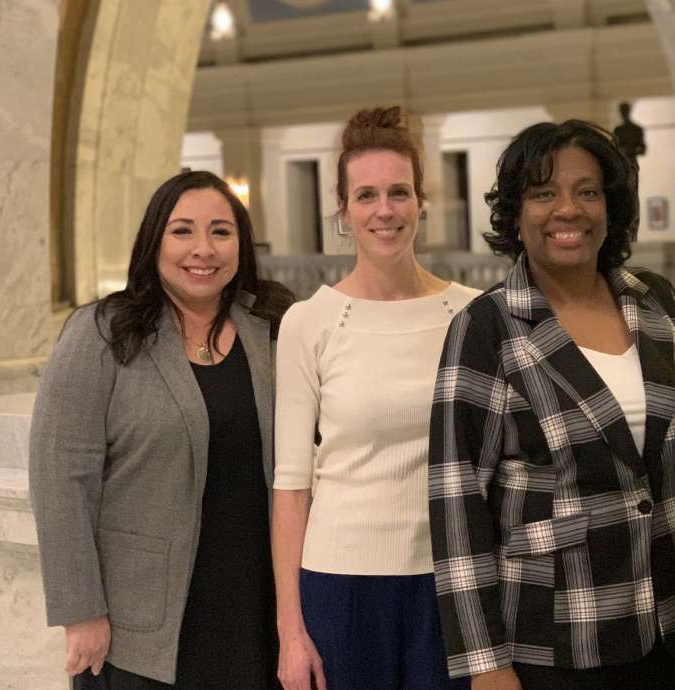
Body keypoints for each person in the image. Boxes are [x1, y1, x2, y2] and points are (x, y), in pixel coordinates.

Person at [428, 119, 675, 690]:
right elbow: (457, 503)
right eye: (543, 193)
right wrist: (486, 664)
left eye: (588, 191)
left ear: (610, 207)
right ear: (516, 215)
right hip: (553, 644)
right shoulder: (485, 327)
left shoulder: (654, 301)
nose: (567, 209)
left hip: (665, 624)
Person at [28, 170, 294, 688]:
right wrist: (81, 611)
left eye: (221, 231)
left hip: (257, 608)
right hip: (142, 624)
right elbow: (60, 477)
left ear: (242, 242)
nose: (203, 249)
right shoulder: (103, 332)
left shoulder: (274, 326)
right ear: (154, 240)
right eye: (182, 231)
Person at [272, 106, 479, 690]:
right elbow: (291, 488)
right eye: (365, 195)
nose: (383, 210)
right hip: (340, 586)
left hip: (450, 582)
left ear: (421, 203)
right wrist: (291, 631)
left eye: (398, 192)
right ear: (343, 211)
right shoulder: (308, 322)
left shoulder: (470, 314)